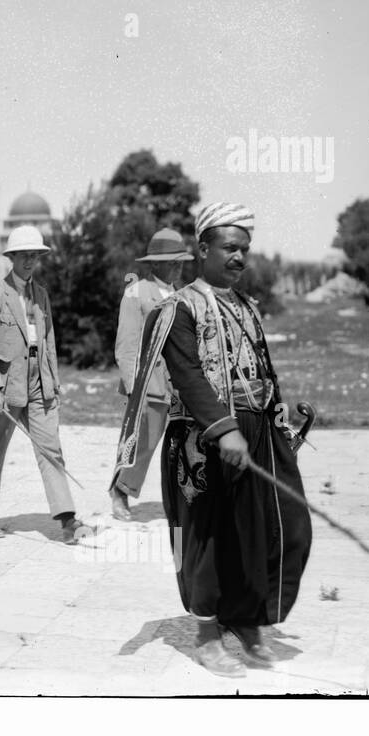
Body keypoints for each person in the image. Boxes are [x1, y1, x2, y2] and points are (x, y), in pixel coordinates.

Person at [111, 202, 313, 678]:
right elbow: (187, 374)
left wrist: (277, 407)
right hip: (203, 439)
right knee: (205, 539)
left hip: (256, 431)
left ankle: (246, 620)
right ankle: (205, 635)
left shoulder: (246, 306)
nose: (240, 257)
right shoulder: (176, 307)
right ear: (202, 249)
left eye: (245, 249)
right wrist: (223, 430)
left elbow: (260, 367)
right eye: (229, 247)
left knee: (277, 526)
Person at [0, 225, 91, 544]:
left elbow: (48, 339)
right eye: (22, 256)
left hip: (40, 382)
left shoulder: (41, 295)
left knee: (51, 448)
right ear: (11, 258)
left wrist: (53, 381)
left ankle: (67, 520)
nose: (28, 262)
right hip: (7, 385)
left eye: (33, 256)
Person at [109, 228, 193, 521]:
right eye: (172, 260)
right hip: (149, 384)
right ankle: (120, 491)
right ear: (155, 263)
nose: (178, 266)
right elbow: (126, 345)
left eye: (181, 260)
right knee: (142, 441)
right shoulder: (136, 293)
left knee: (185, 445)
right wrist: (134, 388)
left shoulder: (184, 295)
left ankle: (186, 497)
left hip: (182, 384)